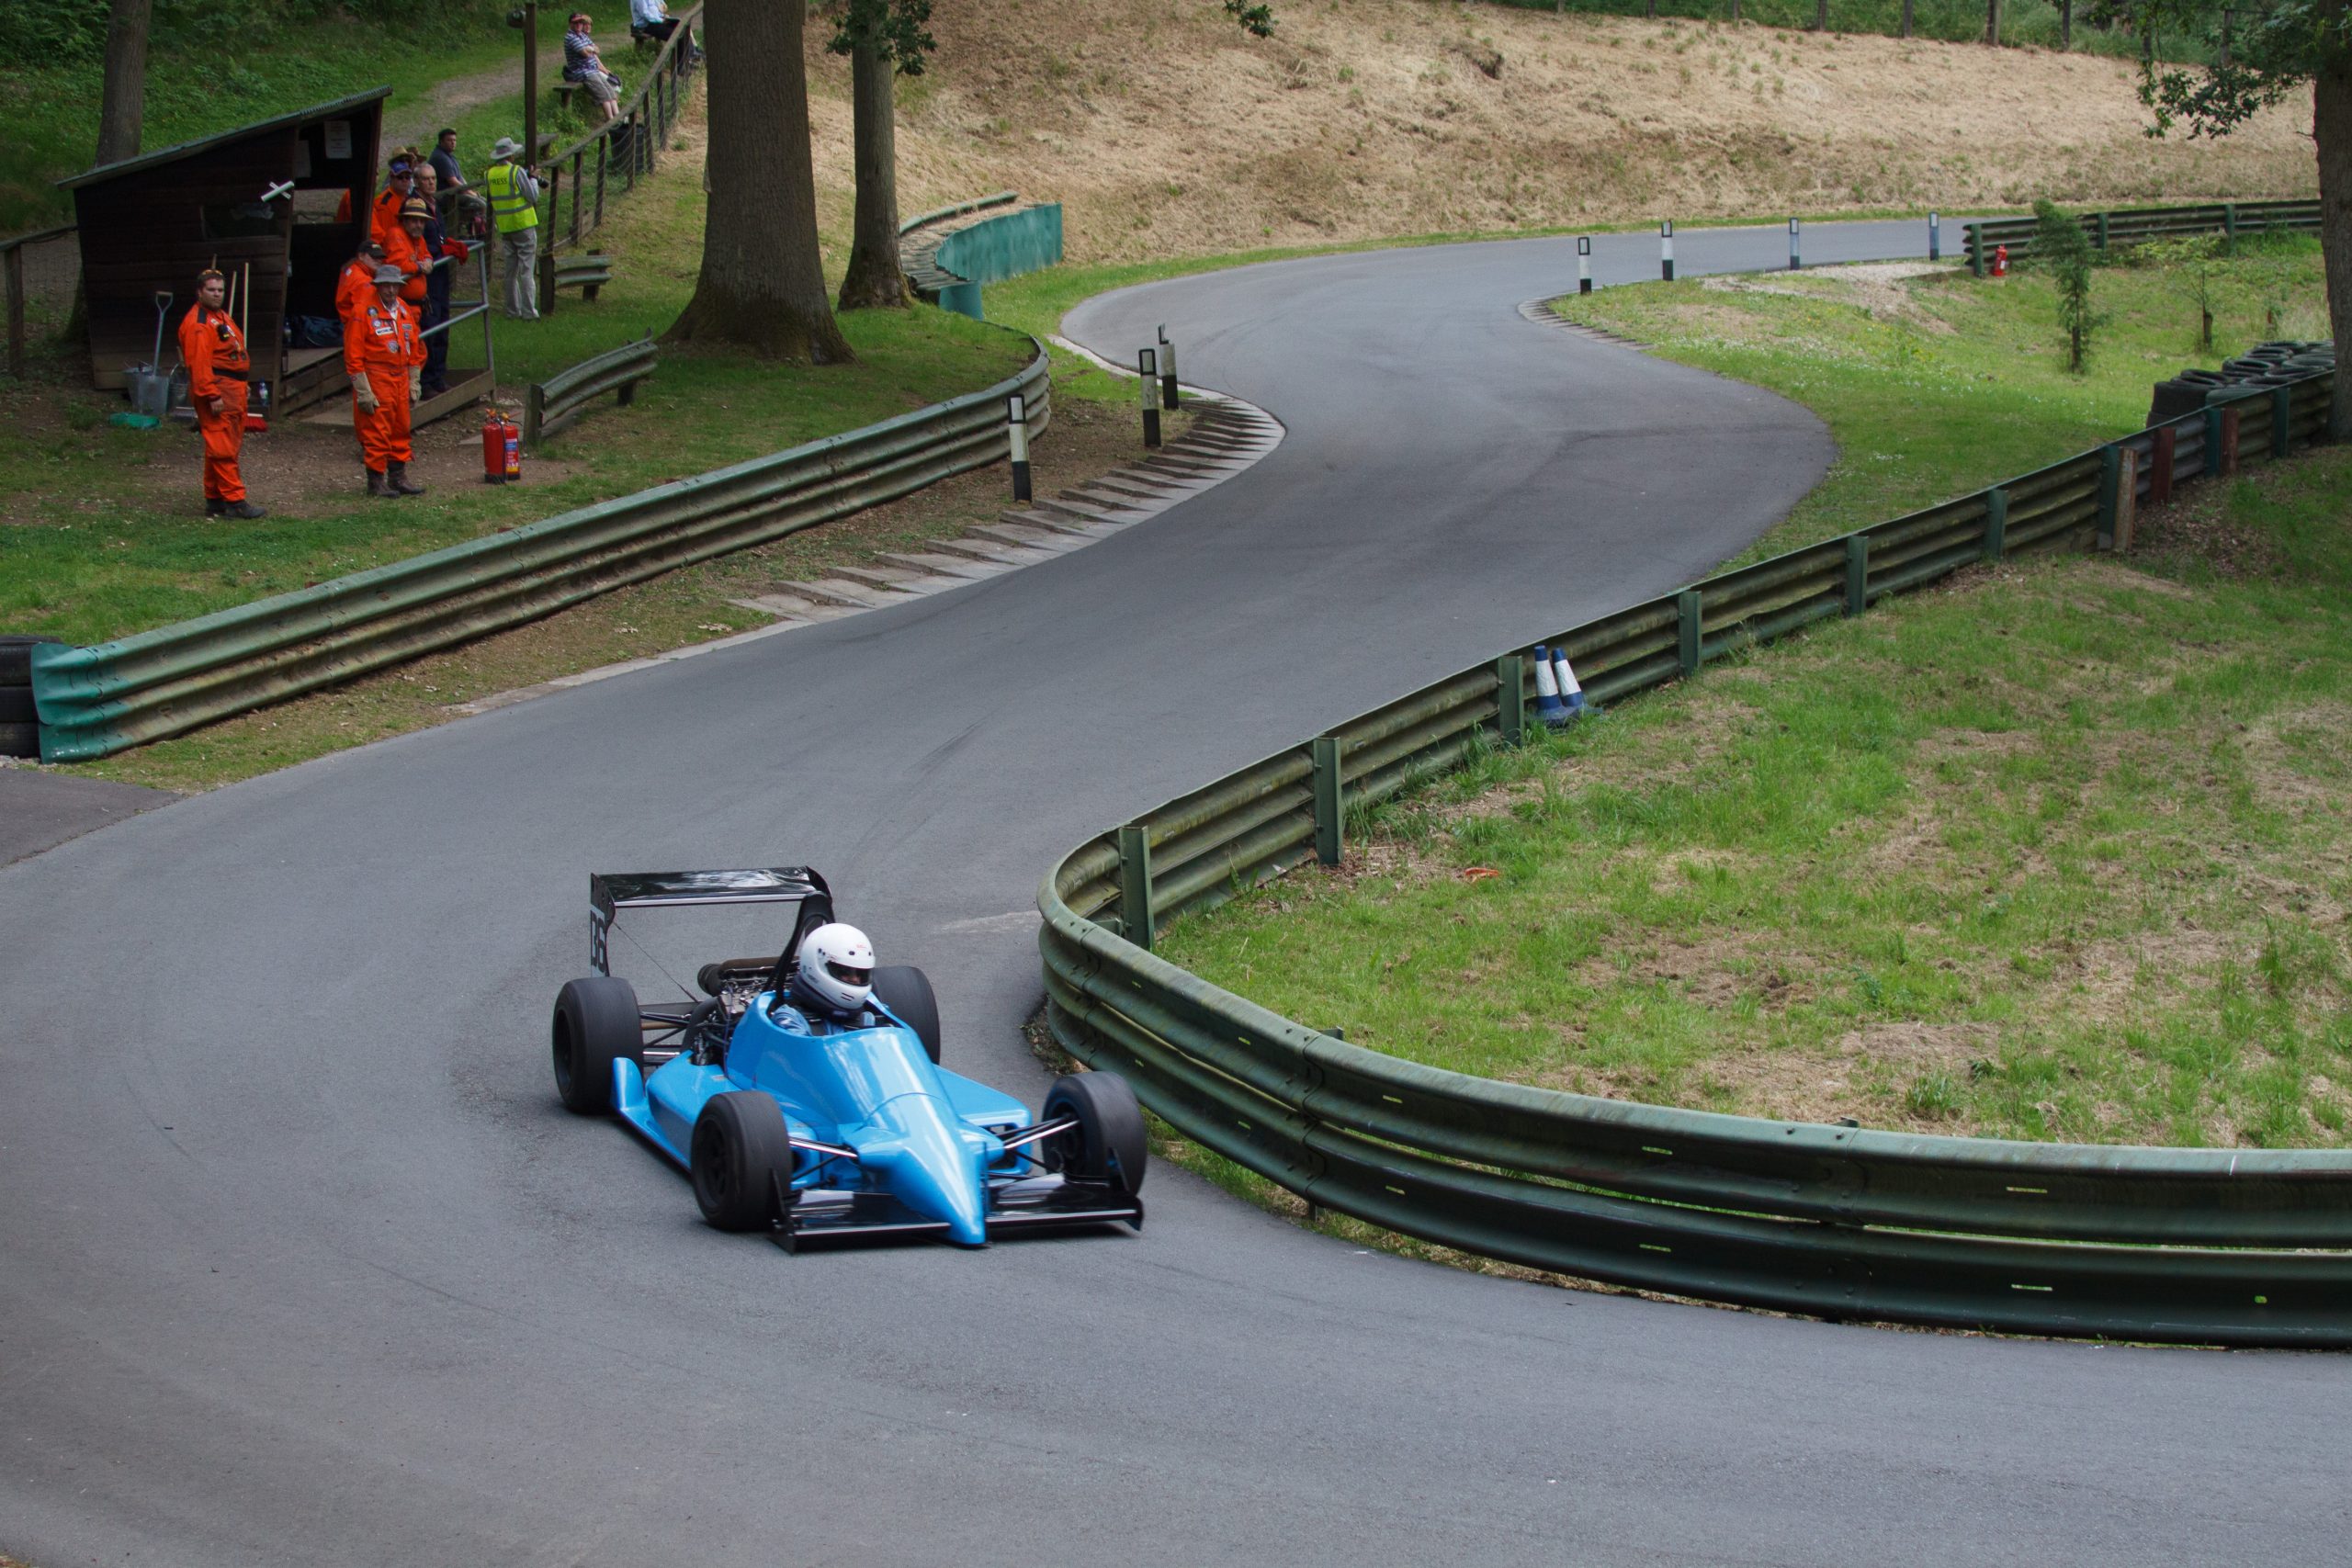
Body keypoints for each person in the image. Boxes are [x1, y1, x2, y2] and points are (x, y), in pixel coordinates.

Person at [176, 268, 265, 520]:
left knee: (223, 446)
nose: (217, 294)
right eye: (211, 290)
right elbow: (199, 364)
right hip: (218, 391)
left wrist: (242, 382)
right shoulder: (199, 324)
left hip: (232, 388)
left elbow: (230, 353)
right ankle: (235, 501)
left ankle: (214, 499)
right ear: (199, 292)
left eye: (220, 290)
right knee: (222, 446)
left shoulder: (220, 316)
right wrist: (211, 395)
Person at [346, 265, 427, 498]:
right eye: (386, 285)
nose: (391, 290)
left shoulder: (403, 309)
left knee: (401, 428)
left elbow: (414, 349)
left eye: (394, 286)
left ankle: (398, 477)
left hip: (400, 376)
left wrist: (414, 382)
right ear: (378, 285)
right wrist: (363, 390)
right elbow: (353, 355)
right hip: (376, 377)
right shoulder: (362, 311)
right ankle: (376, 481)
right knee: (376, 430)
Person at [410, 168, 460, 397]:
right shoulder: (416, 205)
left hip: (440, 274)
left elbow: (438, 235)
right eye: (426, 179)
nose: (431, 183)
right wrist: (439, 249)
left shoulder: (434, 203)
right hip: (428, 275)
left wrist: (448, 245)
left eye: (433, 178)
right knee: (430, 326)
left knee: (442, 324)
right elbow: (418, 240)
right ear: (417, 182)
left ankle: (439, 374)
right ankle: (427, 379)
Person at [483, 136, 542, 321]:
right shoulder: (516, 172)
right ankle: (528, 311)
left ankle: (512, 310)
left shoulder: (489, 174)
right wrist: (532, 179)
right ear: (512, 155)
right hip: (523, 224)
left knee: (510, 272)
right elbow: (532, 196)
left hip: (505, 226)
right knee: (526, 270)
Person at [780, 924, 878, 1030]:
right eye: (844, 971)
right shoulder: (789, 1019)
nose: (855, 979)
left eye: (860, 973)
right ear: (814, 967)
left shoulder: (868, 1019)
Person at [563, 13, 625, 125]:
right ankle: (611, 121)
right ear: (570, 24)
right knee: (603, 95)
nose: (578, 25)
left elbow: (597, 49)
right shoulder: (571, 37)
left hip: (593, 70)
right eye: (575, 23)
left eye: (580, 23)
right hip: (583, 72)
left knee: (611, 91)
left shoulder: (582, 36)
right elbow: (585, 54)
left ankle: (618, 117)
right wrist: (591, 49)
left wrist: (590, 48)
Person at [426, 128, 485, 236]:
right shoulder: (440, 157)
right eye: (449, 140)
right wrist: (471, 194)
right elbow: (453, 182)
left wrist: (470, 190)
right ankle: (480, 235)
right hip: (446, 197)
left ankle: (478, 232)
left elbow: (460, 178)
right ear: (441, 142)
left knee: (482, 201)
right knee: (480, 204)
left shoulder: (449, 156)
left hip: (455, 193)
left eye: (454, 140)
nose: (453, 143)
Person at [335, 238, 389, 331]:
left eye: (380, 257)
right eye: (373, 256)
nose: (378, 261)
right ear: (361, 256)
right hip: (354, 326)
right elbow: (371, 310)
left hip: (349, 323)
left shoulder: (352, 268)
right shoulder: (362, 280)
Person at [370, 152, 420, 249]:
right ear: (391, 178)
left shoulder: (407, 198)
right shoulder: (384, 203)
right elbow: (385, 236)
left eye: (408, 177)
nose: (405, 180)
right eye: (400, 177)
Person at [628, 0, 698, 60]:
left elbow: (655, 9)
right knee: (677, 35)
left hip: (657, 22)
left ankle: (691, 56)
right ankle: (681, 66)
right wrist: (661, 20)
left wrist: (663, 16)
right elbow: (645, 14)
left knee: (682, 28)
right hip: (647, 26)